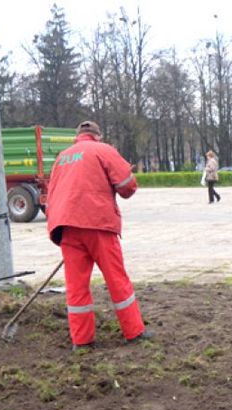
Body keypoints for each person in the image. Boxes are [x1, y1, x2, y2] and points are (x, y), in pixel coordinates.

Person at [44, 120, 152, 350]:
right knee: (116, 279)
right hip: (98, 224)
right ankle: (134, 332)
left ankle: (82, 342)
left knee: (76, 286)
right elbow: (127, 187)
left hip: (67, 227)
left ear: (78, 136)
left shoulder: (62, 158)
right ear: (97, 136)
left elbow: (51, 195)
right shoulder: (103, 150)